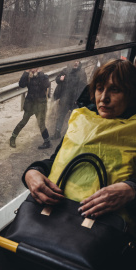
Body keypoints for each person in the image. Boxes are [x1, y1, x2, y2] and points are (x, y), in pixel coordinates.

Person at [22, 59, 136, 238]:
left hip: (104, 229)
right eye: (99, 88)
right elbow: (57, 159)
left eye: (115, 90)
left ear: (131, 95)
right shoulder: (82, 120)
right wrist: (32, 172)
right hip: (56, 215)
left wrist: (131, 190)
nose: (104, 98)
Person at [10, 68, 51, 149]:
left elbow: (46, 85)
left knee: (41, 124)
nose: (33, 70)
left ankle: (47, 142)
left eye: (35, 68)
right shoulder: (29, 76)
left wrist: (40, 74)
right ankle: (13, 138)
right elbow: (21, 84)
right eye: (32, 68)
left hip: (40, 104)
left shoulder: (44, 76)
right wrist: (26, 72)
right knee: (24, 121)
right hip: (30, 103)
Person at [51, 60, 87, 139]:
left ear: (79, 63)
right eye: (74, 61)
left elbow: (83, 87)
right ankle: (57, 133)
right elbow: (57, 80)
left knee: (75, 118)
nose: (76, 62)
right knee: (61, 116)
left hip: (75, 99)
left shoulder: (82, 73)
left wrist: (78, 98)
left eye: (77, 61)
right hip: (65, 98)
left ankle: (74, 136)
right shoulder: (65, 71)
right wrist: (60, 79)